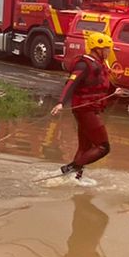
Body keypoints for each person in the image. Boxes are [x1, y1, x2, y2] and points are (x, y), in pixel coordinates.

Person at [50, 30, 116, 179]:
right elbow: (71, 83)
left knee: (85, 147)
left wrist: (116, 90)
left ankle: (76, 179)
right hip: (85, 110)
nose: (108, 52)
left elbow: (103, 84)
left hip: (91, 109)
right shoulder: (83, 64)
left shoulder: (99, 64)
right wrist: (61, 103)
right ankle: (71, 168)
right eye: (106, 49)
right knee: (103, 147)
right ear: (97, 49)